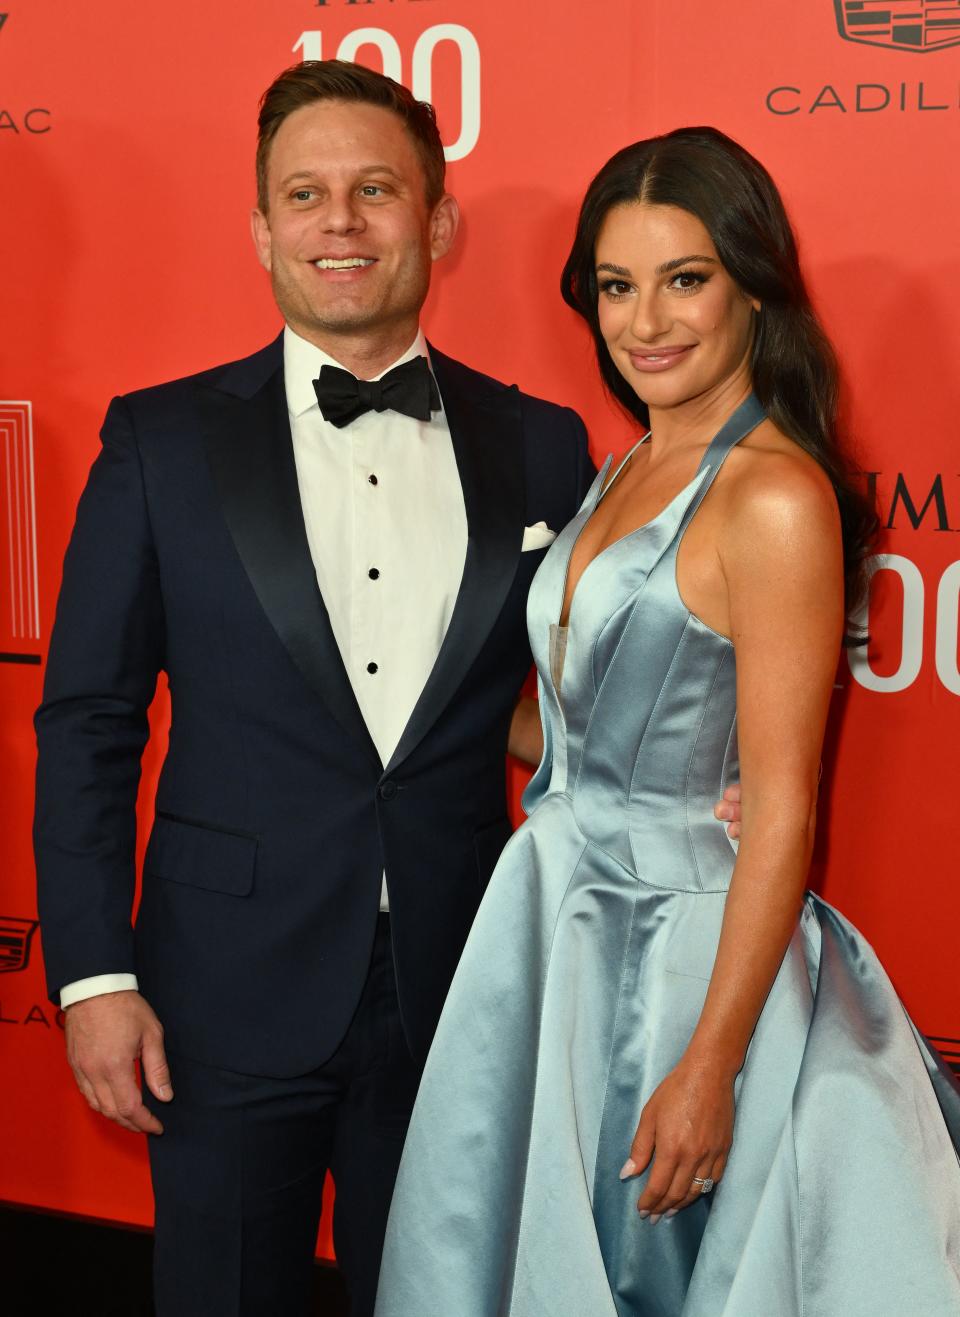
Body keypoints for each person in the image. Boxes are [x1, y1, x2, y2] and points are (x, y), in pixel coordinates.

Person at [32, 62, 743, 1316]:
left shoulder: (543, 443)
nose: (340, 223)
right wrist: (93, 979)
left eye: (375, 190)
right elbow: (88, 722)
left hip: (461, 975)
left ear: (438, 221)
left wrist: (675, 779)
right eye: (305, 195)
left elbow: (547, 701)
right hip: (219, 992)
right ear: (262, 230)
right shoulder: (159, 443)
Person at [374, 128, 960, 1317]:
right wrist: (402, 707)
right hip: (557, 913)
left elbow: (785, 807)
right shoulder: (633, 457)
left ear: (752, 284)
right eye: (616, 285)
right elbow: (578, 737)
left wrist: (710, 1065)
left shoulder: (776, 497)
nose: (646, 321)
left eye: (684, 279)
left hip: (674, 954)